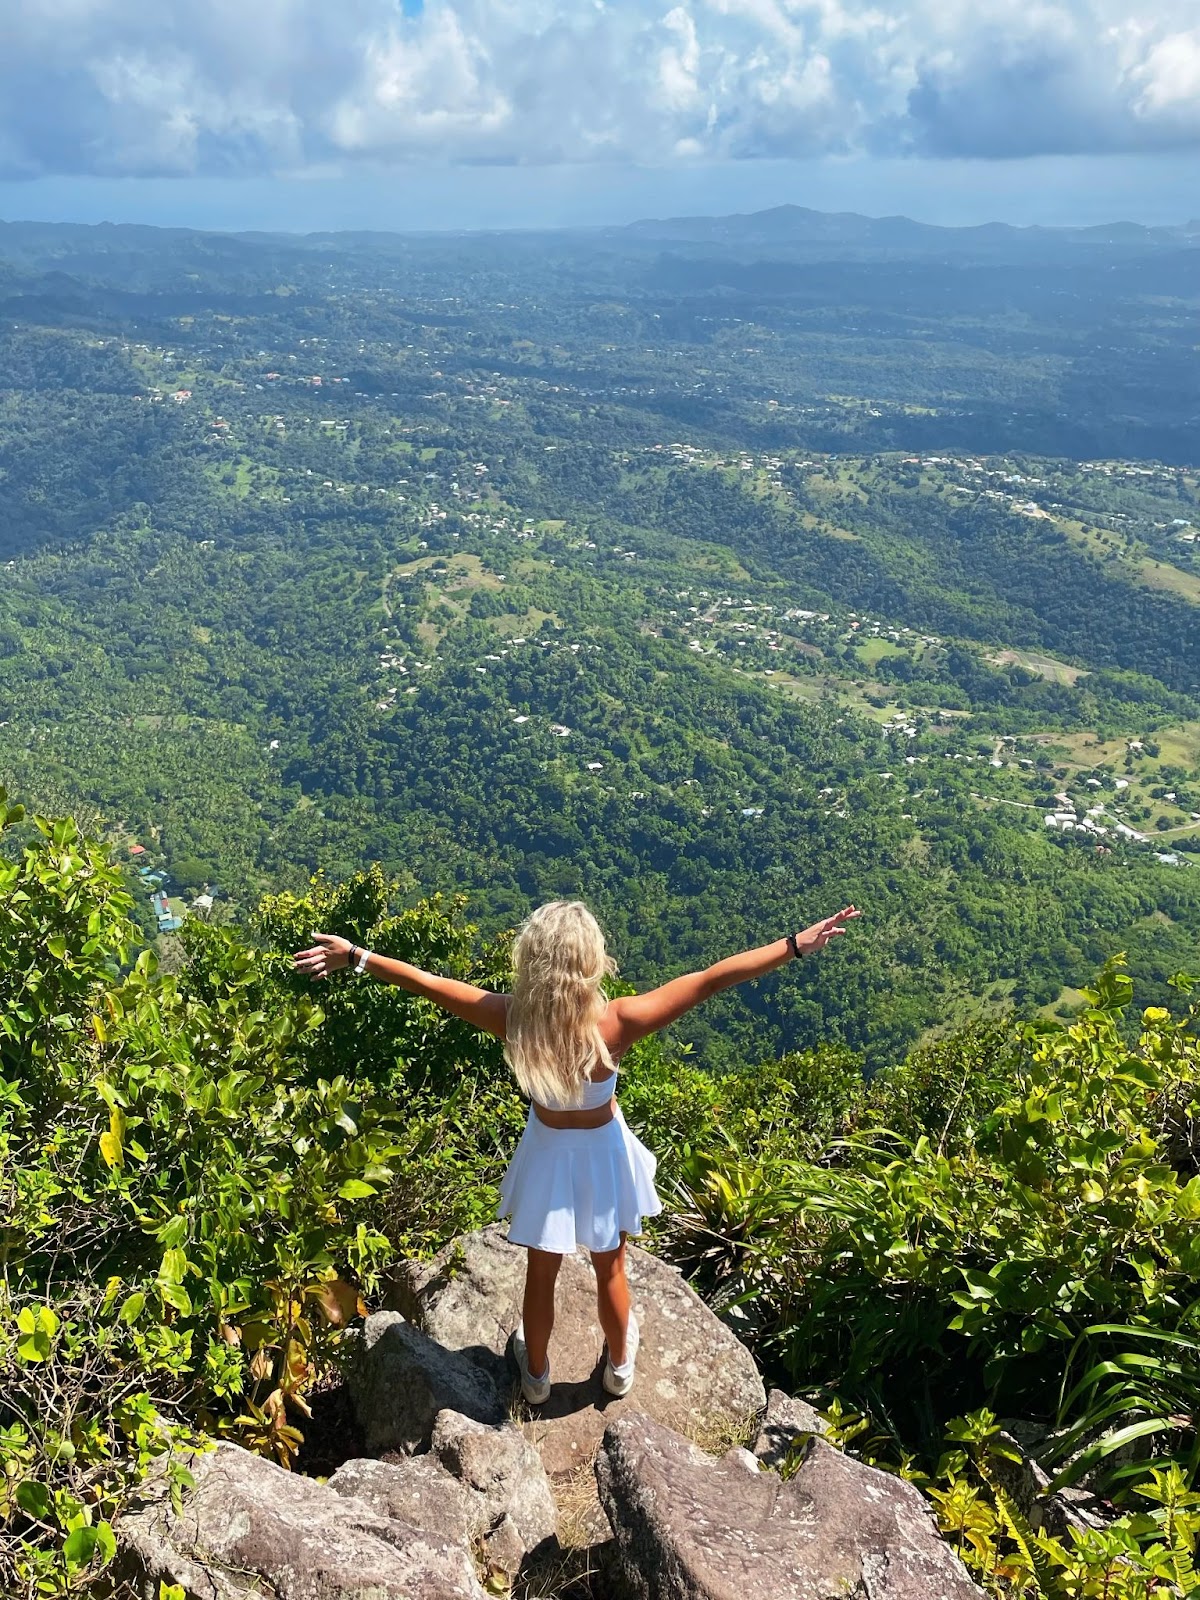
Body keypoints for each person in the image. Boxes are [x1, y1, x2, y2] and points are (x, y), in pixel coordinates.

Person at [293, 899, 859, 1404]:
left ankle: (534, 1377)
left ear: (532, 962)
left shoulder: (512, 1017)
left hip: (548, 1153)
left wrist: (358, 957)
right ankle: (618, 1368)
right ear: (590, 963)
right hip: (601, 1153)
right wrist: (792, 946)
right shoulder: (616, 1022)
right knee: (611, 1265)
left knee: (542, 1270)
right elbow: (710, 980)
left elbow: (430, 984)